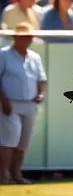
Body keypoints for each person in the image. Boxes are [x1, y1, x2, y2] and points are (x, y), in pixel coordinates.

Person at [0, 23, 46, 184]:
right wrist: (3, 100)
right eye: (22, 37)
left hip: (30, 103)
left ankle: (16, 174)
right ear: (14, 38)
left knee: (22, 142)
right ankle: (4, 174)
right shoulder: (3, 55)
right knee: (8, 140)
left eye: (28, 37)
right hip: (10, 103)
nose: (26, 39)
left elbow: (41, 79)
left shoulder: (35, 57)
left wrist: (40, 94)